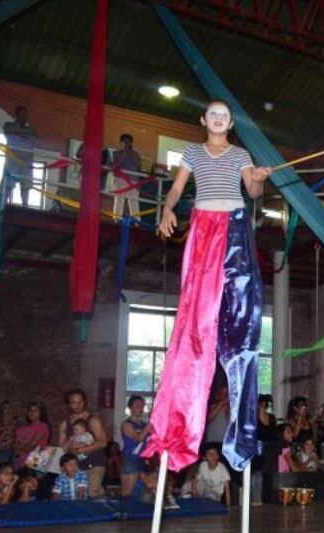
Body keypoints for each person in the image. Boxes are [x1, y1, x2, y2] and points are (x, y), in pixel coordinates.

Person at [147, 98, 272, 474]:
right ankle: (178, 428)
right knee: (195, 322)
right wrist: (167, 210)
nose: (218, 118)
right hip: (203, 227)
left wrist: (258, 181)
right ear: (204, 120)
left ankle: (243, 432)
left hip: (234, 226)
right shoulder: (192, 152)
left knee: (240, 318)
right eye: (213, 114)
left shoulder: (240, 153)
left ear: (230, 122)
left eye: (225, 115)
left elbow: (251, 194)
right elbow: (177, 189)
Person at [57, 389, 107, 499]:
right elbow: (62, 446)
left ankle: (106, 510)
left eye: (80, 402)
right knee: (78, 494)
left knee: (92, 492)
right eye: (74, 402)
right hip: (77, 466)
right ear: (69, 404)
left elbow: (103, 442)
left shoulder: (93, 420)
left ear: (84, 402)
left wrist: (81, 450)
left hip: (95, 462)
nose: (77, 405)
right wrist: (67, 446)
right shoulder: (65, 424)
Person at [2, 106, 36, 205]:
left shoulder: (30, 129)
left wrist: (18, 134)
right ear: (16, 114)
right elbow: (8, 131)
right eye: (21, 113)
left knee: (25, 186)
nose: (24, 116)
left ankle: (25, 206)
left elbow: (34, 139)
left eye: (25, 114)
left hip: (26, 161)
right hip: (12, 160)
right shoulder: (8, 125)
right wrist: (23, 135)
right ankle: (5, 205)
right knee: (8, 184)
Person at [118, 395, 150, 500]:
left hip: (142, 460)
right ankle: (124, 515)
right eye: (137, 406)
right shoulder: (126, 424)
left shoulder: (144, 424)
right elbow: (138, 439)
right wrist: (149, 426)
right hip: (130, 459)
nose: (140, 408)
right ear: (130, 408)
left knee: (141, 493)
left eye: (142, 406)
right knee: (127, 494)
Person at [111, 133, 142, 216]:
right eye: (124, 141)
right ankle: (116, 219)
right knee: (118, 200)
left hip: (133, 180)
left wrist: (130, 154)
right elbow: (114, 166)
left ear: (131, 143)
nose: (126, 143)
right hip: (119, 179)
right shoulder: (116, 153)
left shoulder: (136, 154)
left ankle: (136, 222)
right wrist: (124, 155)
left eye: (128, 141)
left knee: (134, 201)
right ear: (121, 143)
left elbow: (139, 167)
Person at [14, 401, 50, 468]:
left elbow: (33, 444)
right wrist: (19, 449)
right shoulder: (22, 428)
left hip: (37, 456)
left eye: (36, 410)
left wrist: (20, 449)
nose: (32, 413)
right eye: (30, 410)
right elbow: (15, 444)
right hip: (22, 456)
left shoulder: (43, 426)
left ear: (41, 413)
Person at [0, 400, 18, 466]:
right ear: (1, 410)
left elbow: (20, 437)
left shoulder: (15, 422)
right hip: (2, 450)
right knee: (2, 469)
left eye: (9, 407)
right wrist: (5, 431)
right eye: (5, 408)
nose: (7, 410)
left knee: (17, 470)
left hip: (15, 450)